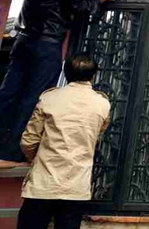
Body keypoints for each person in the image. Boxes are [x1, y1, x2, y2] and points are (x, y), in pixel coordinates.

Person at [0, 0, 120, 169]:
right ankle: (11, 153)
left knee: (7, 94)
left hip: (23, 39)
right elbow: (82, 8)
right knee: (32, 99)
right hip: (47, 44)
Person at [17, 53, 110, 229]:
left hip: (43, 184)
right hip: (75, 186)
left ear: (65, 73)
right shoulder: (102, 104)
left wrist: (35, 159)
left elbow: (29, 140)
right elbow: (97, 134)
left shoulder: (49, 99)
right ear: (93, 75)